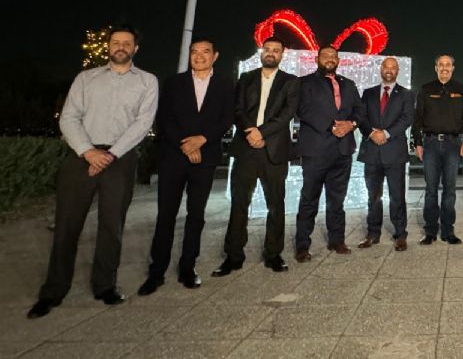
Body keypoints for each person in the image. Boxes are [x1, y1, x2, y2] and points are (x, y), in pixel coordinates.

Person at [28, 25, 158, 318]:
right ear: (109, 46)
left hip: (120, 158)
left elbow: (142, 123)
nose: (120, 46)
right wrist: (88, 151)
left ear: (135, 48)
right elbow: (70, 117)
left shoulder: (148, 82)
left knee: (112, 226)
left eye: (127, 43)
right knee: (67, 225)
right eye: (115, 42)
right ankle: (53, 291)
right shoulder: (86, 78)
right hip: (81, 156)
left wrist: (111, 154)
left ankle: (104, 286)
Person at [139, 37, 234, 295]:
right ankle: (156, 271)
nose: (199, 56)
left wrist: (202, 140)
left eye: (205, 52)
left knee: (196, 215)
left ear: (215, 56)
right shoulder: (173, 83)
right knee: (166, 215)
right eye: (194, 52)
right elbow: (164, 118)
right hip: (173, 156)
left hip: (205, 158)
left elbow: (226, 118)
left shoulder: (226, 85)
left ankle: (187, 267)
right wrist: (186, 145)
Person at [213, 36, 299, 277]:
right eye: (267, 49)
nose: (271, 53)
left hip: (274, 151)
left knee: (276, 205)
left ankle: (273, 254)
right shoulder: (246, 78)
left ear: (283, 55)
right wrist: (251, 131)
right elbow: (237, 109)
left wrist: (261, 132)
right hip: (246, 149)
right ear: (262, 52)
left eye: (276, 50)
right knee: (239, 205)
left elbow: (287, 114)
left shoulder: (290, 82)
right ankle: (233, 256)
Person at [294, 45, 363, 260]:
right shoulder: (304, 83)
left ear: (338, 60)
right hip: (316, 151)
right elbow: (302, 110)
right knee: (309, 199)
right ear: (317, 59)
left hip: (342, 152)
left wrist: (351, 124)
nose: (330, 59)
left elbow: (360, 111)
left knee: (337, 200)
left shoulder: (349, 84)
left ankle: (337, 241)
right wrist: (332, 126)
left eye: (334, 56)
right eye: (326, 55)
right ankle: (303, 245)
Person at [357, 57, 415, 251]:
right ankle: (373, 234)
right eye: (386, 67)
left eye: (393, 67)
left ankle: (400, 235)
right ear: (381, 69)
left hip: (394, 153)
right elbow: (361, 117)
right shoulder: (369, 93)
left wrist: (386, 133)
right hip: (372, 152)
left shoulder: (406, 94)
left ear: (397, 71)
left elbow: (407, 119)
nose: (389, 70)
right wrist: (373, 133)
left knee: (397, 196)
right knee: (373, 196)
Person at [413, 54, 463, 245]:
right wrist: (417, 143)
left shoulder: (461, 89)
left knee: (450, 189)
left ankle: (448, 231)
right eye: (441, 65)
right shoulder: (426, 89)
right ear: (436, 68)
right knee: (431, 190)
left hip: (453, 145)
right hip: (431, 144)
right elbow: (417, 118)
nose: (444, 68)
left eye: (448, 65)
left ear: (453, 68)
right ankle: (430, 231)